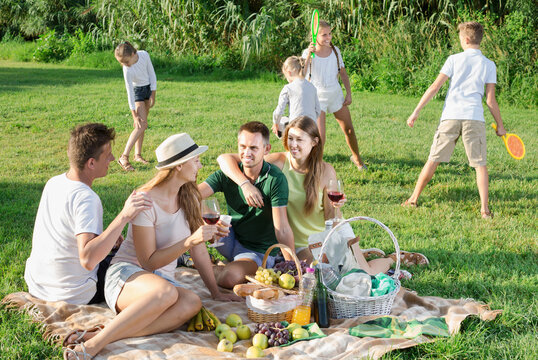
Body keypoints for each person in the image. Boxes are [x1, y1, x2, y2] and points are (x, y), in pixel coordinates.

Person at [63, 133, 241, 359]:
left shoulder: (190, 197)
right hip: (128, 277)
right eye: (195, 159)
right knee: (166, 292)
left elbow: (198, 250)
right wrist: (190, 240)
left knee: (192, 302)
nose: (200, 164)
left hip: (162, 284)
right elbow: (148, 262)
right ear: (178, 166)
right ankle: (95, 344)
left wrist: (215, 293)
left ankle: (110, 333)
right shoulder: (145, 200)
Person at [218, 116, 428, 273]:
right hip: (300, 244)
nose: (293, 145)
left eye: (300, 140)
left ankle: (392, 259)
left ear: (315, 142)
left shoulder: (326, 171)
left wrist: (337, 212)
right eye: (291, 138)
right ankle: (359, 256)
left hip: (326, 234)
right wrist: (245, 184)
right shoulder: (278, 161)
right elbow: (224, 158)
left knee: (359, 273)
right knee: (319, 275)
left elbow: (331, 219)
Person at [24, 123, 151, 306]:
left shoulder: (54, 183)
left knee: (116, 250)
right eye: (108, 155)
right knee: (133, 262)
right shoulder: (87, 199)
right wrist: (124, 215)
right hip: (73, 294)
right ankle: (181, 258)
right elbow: (88, 260)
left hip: (39, 286)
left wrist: (106, 237)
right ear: (91, 163)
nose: (113, 158)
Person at [403, 21, 506, 219]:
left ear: (465, 40)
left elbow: (434, 87)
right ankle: (484, 210)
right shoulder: (489, 64)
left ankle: (413, 198)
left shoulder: (454, 59)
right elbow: (491, 100)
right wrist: (500, 126)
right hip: (474, 118)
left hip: (450, 116)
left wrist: (416, 111)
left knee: (433, 159)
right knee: (480, 164)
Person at [199, 121, 295, 289]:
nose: (246, 153)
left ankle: (209, 267)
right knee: (189, 214)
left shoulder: (275, 180)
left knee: (229, 278)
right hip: (228, 237)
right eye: (242, 147)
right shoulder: (229, 173)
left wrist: (292, 265)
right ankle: (194, 259)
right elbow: (192, 196)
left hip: (256, 251)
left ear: (266, 149)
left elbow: (282, 229)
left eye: (253, 148)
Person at [302, 20, 366, 170]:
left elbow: (342, 73)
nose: (328, 37)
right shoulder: (308, 53)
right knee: (320, 138)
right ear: (315, 36)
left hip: (335, 94)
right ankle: (316, 166)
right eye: (324, 35)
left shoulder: (335, 51)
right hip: (317, 98)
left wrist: (348, 93)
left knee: (349, 130)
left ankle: (356, 157)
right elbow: (302, 74)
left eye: (330, 33)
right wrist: (308, 57)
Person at [115, 41, 157, 171]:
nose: (124, 64)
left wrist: (153, 94)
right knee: (141, 124)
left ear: (134, 53)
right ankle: (124, 157)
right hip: (137, 92)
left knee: (142, 126)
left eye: (126, 61)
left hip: (148, 90)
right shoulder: (127, 69)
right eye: (121, 62)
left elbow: (152, 74)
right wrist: (134, 116)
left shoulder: (144, 55)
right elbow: (130, 92)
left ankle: (137, 155)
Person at [272, 56, 320, 138]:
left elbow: (279, 110)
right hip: (311, 127)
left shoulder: (288, 88)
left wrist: (276, 123)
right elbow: (318, 110)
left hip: (295, 127)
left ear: (289, 73)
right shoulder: (312, 87)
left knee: (294, 149)